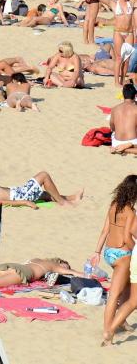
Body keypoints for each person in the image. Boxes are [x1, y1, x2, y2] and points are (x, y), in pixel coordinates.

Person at [94, 174, 137, 344]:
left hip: (108, 252)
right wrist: (135, 250)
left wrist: (96, 252)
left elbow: (104, 231)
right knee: (115, 294)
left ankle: (122, 322)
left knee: (126, 288)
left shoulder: (113, 206)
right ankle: (107, 330)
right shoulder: (130, 211)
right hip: (122, 254)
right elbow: (127, 238)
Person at [0, 171, 83, 207]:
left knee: (45, 195)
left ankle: (72, 198)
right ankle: (63, 203)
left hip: (18, 191)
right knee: (44, 175)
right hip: (19, 196)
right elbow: (1, 203)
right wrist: (25, 202)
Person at [0, 257, 81, 289]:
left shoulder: (37, 259)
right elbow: (75, 273)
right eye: (65, 266)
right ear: (59, 262)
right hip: (24, 273)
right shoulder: (55, 266)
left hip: (10, 265)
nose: (65, 269)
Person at [111, 85, 137, 155]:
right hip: (133, 141)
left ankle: (118, 148)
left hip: (116, 142)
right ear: (135, 96)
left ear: (123, 95)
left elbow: (112, 128)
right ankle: (129, 147)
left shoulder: (114, 108)